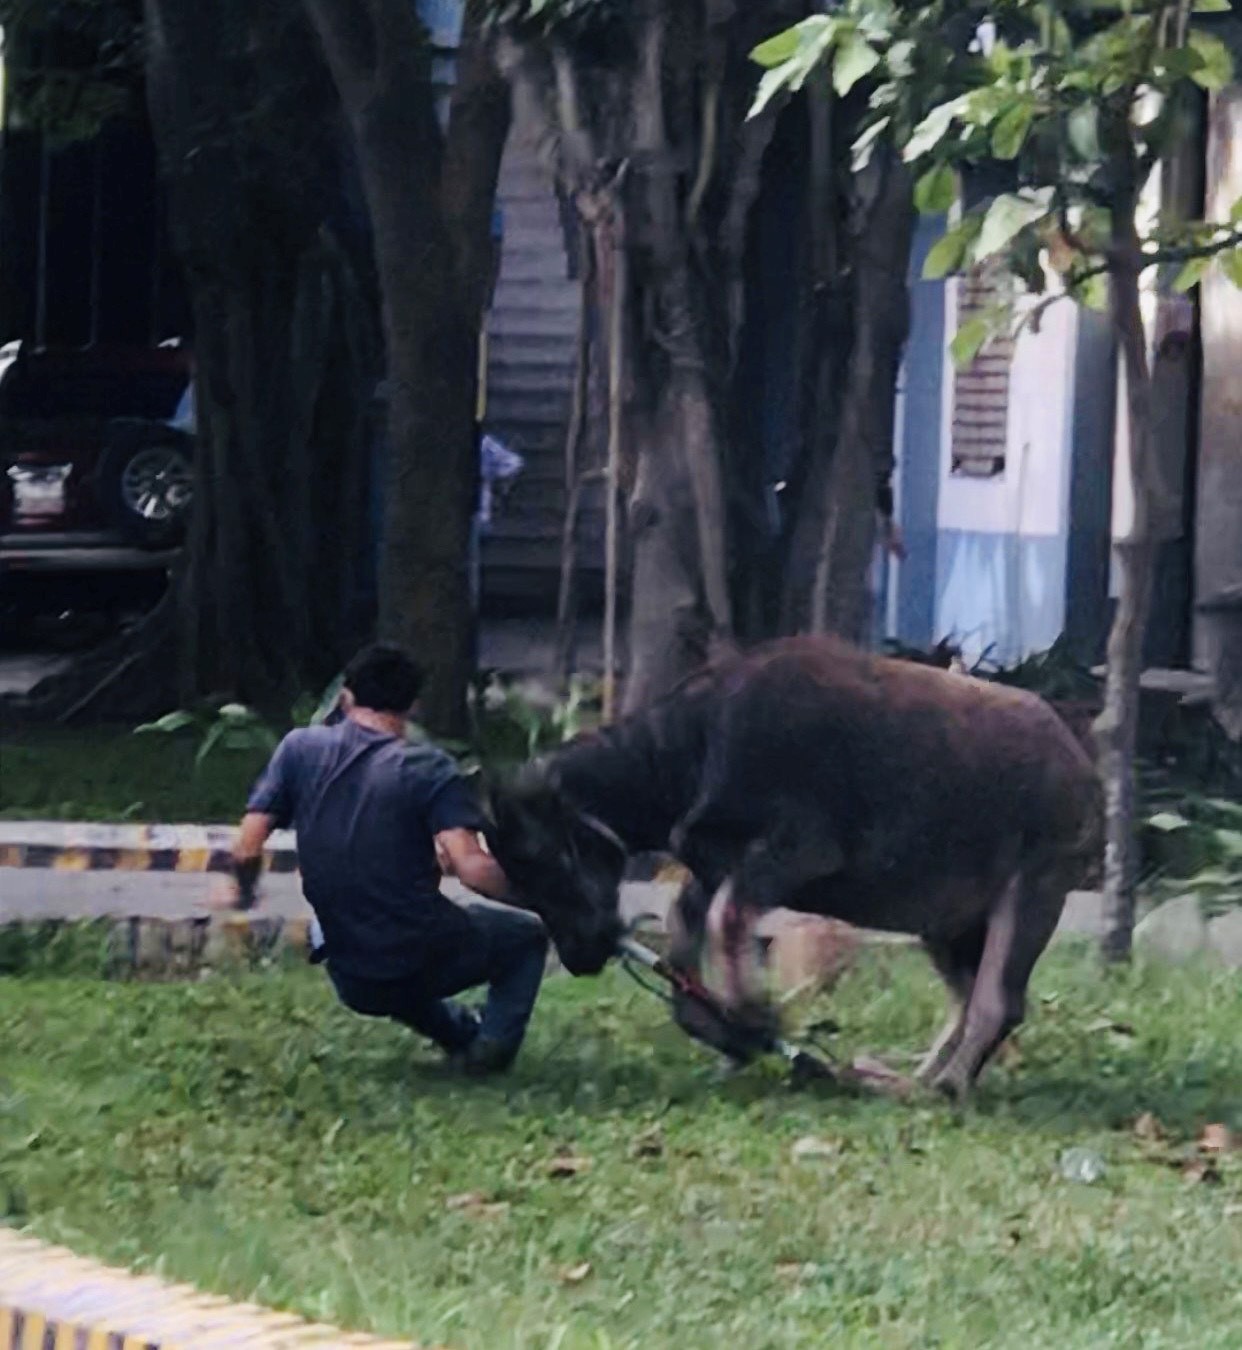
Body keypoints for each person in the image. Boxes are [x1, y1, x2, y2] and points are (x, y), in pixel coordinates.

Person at [222, 643, 549, 1074]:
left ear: (345, 698)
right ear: (413, 705)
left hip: (349, 970)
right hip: (414, 954)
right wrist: (547, 901)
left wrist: (242, 892)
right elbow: (472, 868)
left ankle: (461, 1037)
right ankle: (489, 1052)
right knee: (524, 938)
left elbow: (247, 845)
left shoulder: (298, 749)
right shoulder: (427, 767)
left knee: (395, 948)